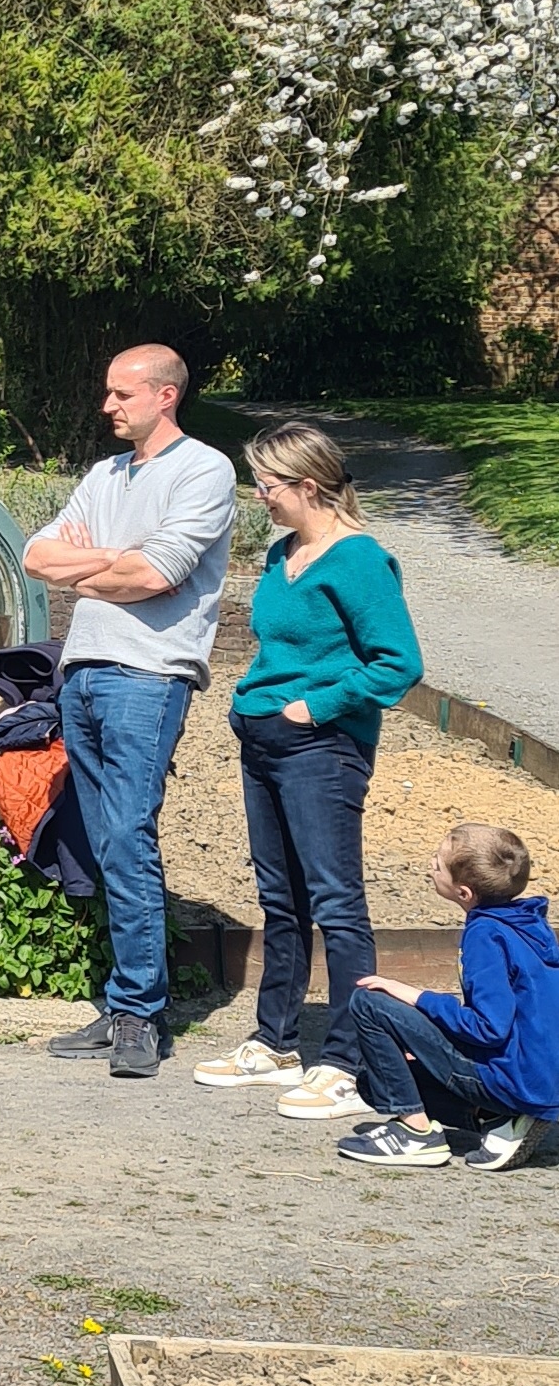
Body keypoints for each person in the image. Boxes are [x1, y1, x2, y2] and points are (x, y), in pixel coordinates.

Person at [19, 344, 239, 1080]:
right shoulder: (104, 475)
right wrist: (114, 562)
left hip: (149, 675)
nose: (107, 406)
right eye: (108, 393)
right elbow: (36, 558)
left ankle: (141, 1013)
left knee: (128, 835)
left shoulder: (204, 470)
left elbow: (157, 572)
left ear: (165, 395)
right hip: (82, 672)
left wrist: (97, 566)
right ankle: (122, 1005)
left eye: (122, 394)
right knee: (106, 840)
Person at [193, 423, 422, 1119]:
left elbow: (398, 663)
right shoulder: (281, 553)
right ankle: (276, 1042)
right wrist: (254, 707)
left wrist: (314, 707)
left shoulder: (360, 561)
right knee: (280, 898)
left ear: (309, 485)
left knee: (336, 903)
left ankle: (349, 1062)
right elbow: (277, 647)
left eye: (268, 484)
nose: (259, 495)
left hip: (321, 748)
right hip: (263, 740)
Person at [333, 825, 558, 1171]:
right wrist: (426, 1039)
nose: (430, 866)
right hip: (537, 1075)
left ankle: (415, 1133)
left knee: (369, 1003)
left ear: (464, 892)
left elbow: (489, 1027)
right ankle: (499, 1118)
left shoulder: (485, 934)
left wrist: (417, 997)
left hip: (514, 1078)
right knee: (371, 1082)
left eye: (437, 864)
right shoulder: (529, 924)